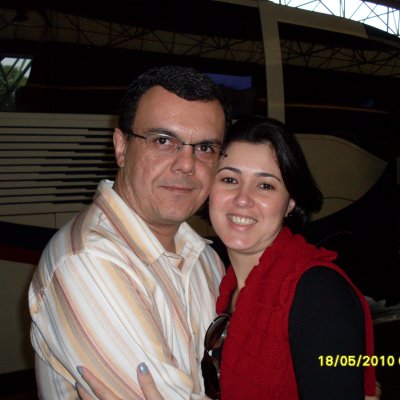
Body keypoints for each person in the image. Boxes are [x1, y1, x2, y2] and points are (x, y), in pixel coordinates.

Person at [77, 116, 379, 400]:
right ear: (209, 189)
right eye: (230, 180)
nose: (243, 199)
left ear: (290, 203)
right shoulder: (219, 280)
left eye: (265, 185)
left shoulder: (317, 292)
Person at [29, 65, 232, 399]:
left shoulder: (205, 258)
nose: (187, 164)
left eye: (206, 148)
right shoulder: (88, 261)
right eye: (163, 140)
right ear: (121, 147)